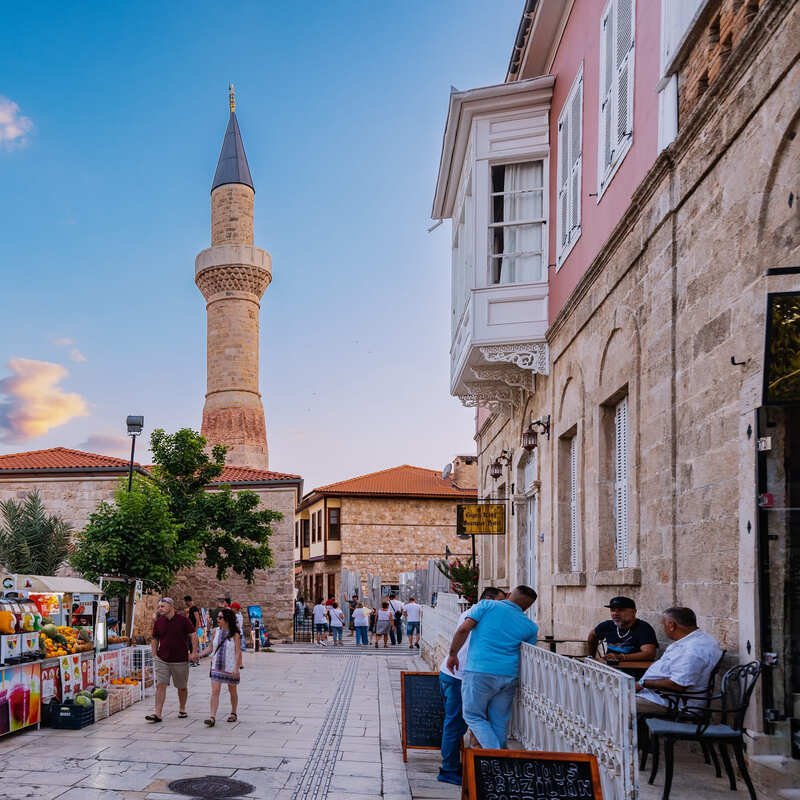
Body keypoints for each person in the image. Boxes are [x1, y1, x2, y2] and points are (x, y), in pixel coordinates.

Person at [446, 585, 538, 750]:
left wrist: (453, 655)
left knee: (473, 715)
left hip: (479, 671)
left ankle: (495, 754)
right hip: (508, 675)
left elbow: (463, 629)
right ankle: (498, 765)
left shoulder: (487, 606)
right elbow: (527, 655)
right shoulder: (531, 627)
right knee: (499, 721)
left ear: (509, 595)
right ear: (528, 606)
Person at [437, 587, 506, 787]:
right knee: (455, 724)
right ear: (490, 600)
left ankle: (453, 764)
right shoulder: (480, 616)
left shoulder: (471, 613)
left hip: (451, 674)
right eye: (500, 602)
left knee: (454, 723)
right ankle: (448, 770)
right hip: (459, 677)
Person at [634, 606, 723, 716]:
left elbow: (677, 685)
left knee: (616, 703)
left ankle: (628, 732)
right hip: (660, 695)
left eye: (663, 624)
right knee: (613, 695)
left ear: (671, 625)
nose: (663, 627)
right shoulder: (700, 639)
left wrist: (643, 683)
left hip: (671, 702)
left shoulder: (692, 650)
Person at [146, 597, 199, 723]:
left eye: (162, 606)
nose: (160, 609)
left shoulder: (183, 620)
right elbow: (154, 639)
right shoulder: (159, 622)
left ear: (171, 606)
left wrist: (194, 652)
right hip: (162, 659)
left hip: (180, 659)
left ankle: (182, 708)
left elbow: (193, 635)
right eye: (159, 607)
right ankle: (157, 713)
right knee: (160, 685)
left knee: (181, 687)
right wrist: (154, 654)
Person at [588, 596, 658, 665]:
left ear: (634, 612)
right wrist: (591, 657)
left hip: (632, 671)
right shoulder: (608, 625)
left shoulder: (643, 628)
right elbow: (592, 635)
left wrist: (621, 657)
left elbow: (649, 654)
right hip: (609, 668)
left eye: (621, 610)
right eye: (612, 610)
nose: (615, 614)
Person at [204, 607, 242, 727]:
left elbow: (238, 652)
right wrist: (197, 655)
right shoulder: (216, 631)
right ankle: (212, 717)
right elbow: (210, 648)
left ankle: (233, 712)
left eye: (220, 617)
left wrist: (236, 667)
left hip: (230, 667)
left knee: (232, 691)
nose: (217, 619)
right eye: (218, 617)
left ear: (227, 619)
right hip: (216, 665)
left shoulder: (235, 634)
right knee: (215, 691)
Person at [184, 595, 201, 667]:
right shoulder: (191, 609)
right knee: (192, 645)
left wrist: (196, 630)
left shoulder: (194, 608)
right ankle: (195, 660)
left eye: (185, 602)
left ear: (188, 601)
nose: (185, 603)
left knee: (193, 645)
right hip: (191, 630)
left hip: (193, 630)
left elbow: (197, 619)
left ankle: (195, 661)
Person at [230, 602, 247, 667]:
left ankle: (237, 663)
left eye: (232, 608)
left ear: (235, 608)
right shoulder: (240, 615)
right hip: (240, 633)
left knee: (235, 649)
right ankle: (240, 663)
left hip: (236, 633)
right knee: (238, 649)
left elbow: (236, 625)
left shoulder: (236, 616)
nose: (231, 609)